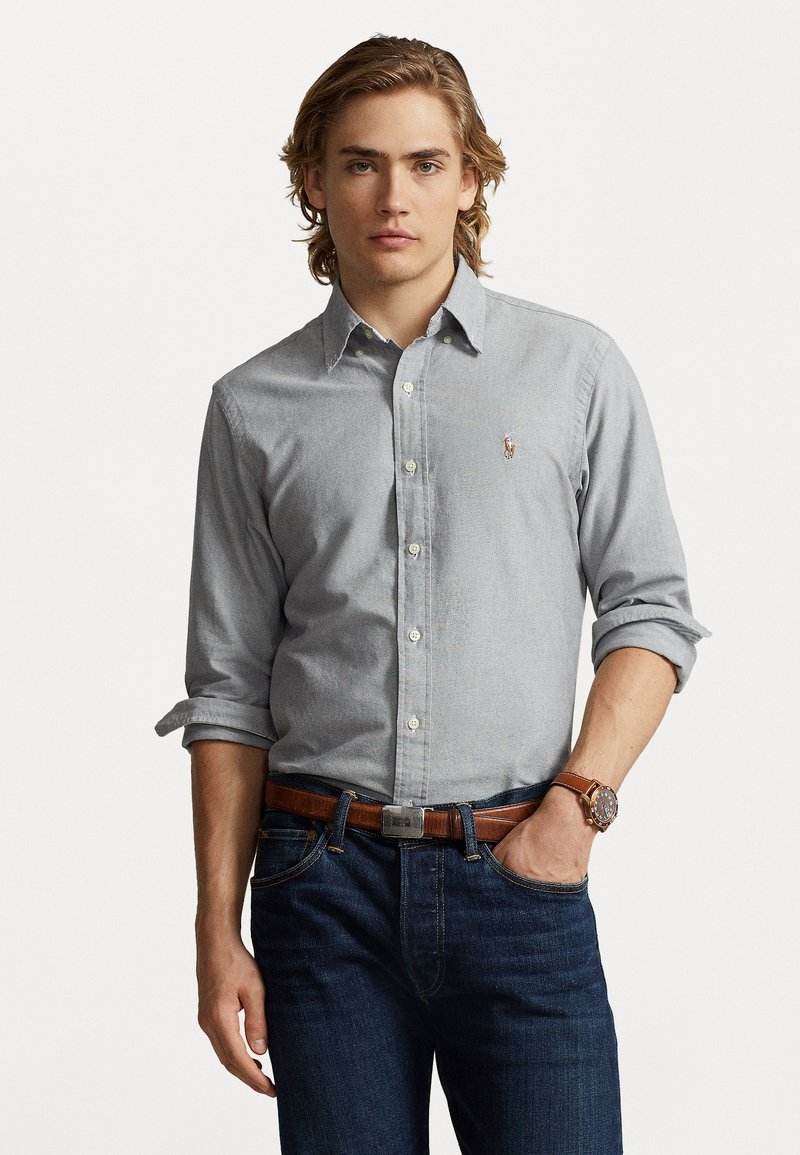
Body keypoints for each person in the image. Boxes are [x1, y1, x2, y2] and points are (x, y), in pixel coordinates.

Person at [154, 34, 711, 1155]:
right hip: (321, 887)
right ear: (314, 181)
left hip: (520, 876)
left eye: (424, 163)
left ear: (470, 178)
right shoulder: (253, 405)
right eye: (360, 163)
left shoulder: (574, 370)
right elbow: (228, 689)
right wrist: (217, 930)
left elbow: (649, 612)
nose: (392, 196)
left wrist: (574, 809)